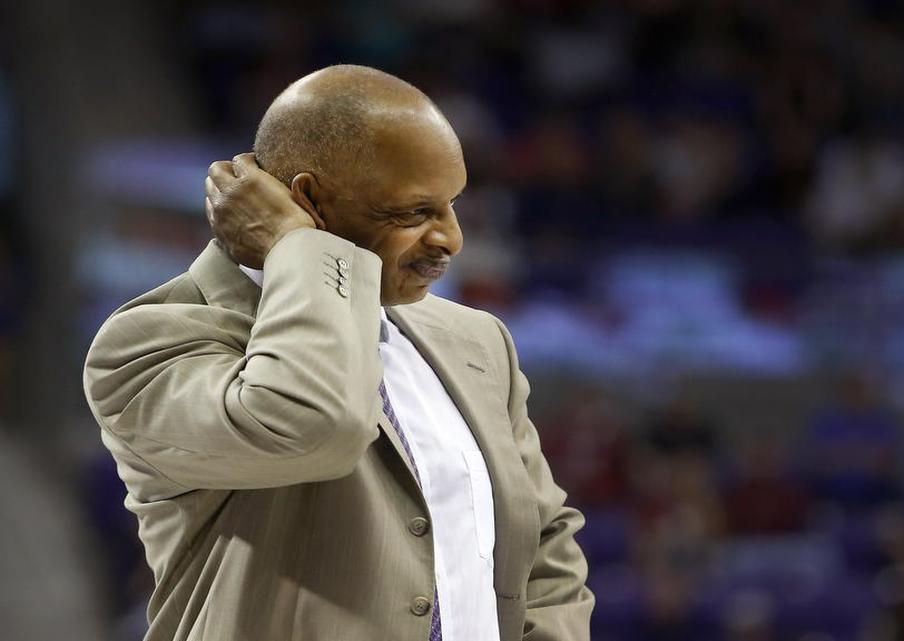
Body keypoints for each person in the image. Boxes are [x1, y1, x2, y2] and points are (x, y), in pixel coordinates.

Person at [82, 65, 593, 641]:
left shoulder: (476, 341)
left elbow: (544, 540)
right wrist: (298, 247)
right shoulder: (152, 343)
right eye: (413, 212)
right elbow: (317, 426)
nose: (452, 238)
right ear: (307, 200)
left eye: (452, 206)